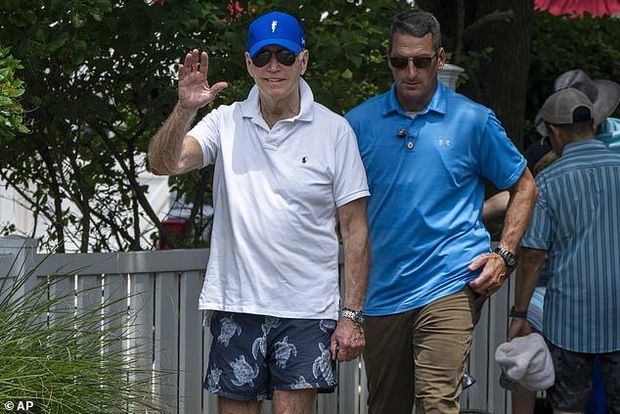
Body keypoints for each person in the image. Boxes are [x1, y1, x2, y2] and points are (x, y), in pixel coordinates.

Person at [148, 11, 370, 414]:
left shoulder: (335, 131)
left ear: (303, 61)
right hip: (238, 304)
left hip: (307, 310)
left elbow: (355, 231)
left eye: (285, 56)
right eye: (263, 56)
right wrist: (184, 109)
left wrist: (351, 316)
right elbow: (163, 163)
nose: (274, 66)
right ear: (249, 64)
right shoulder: (225, 121)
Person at [345, 9, 537, 414]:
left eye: (421, 60)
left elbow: (524, 186)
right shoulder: (358, 124)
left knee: (436, 400)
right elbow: (333, 204)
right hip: (383, 291)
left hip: (450, 280)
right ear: (389, 60)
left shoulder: (473, 120)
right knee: (386, 407)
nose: (410, 72)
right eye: (400, 61)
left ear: (440, 59)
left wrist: (504, 254)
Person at [508, 87, 620, 414]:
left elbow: (533, 256)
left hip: (571, 315)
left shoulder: (549, 181)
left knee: (568, 406)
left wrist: (519, 313)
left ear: (556, 131)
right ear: (593, 123)